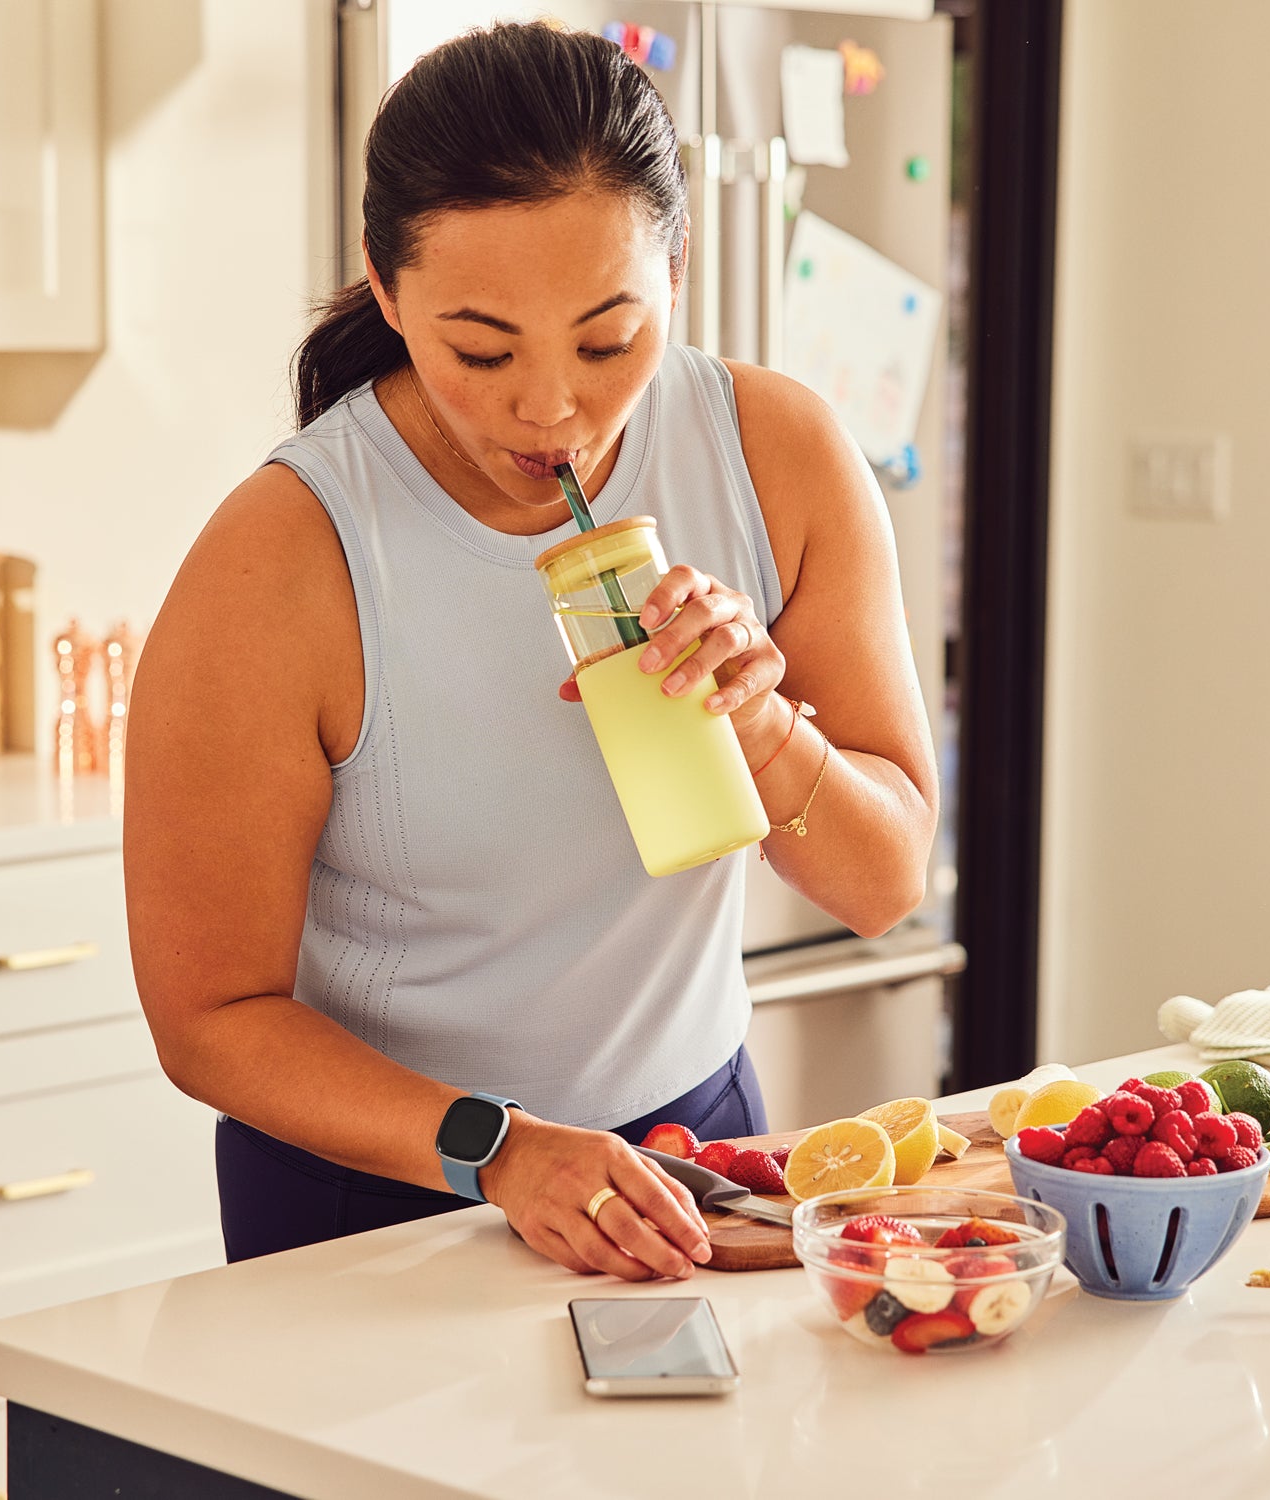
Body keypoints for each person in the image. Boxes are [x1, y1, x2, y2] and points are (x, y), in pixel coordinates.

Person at [124, 21, 937, 1282]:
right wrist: (497, 1149)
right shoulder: (282, 562)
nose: (551, 407)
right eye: (481, 349)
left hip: (698, 1148)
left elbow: (884, 887)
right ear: (385, 291)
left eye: (609, 341)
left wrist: (765, 730)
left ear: (678, 267)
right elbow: (209, 1021)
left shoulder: (778, 458)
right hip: (382, 1195)